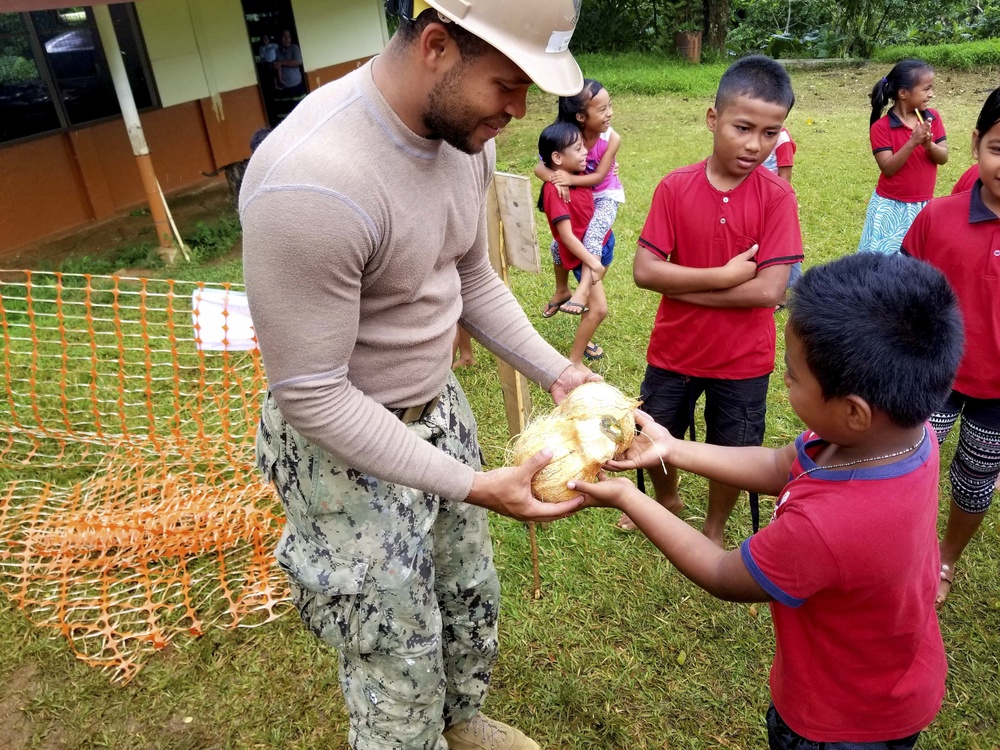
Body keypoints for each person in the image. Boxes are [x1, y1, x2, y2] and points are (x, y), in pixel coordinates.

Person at [240, 2, 593, 748]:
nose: (519, 109)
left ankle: (460, 725)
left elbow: (470, 276)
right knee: (392, 646)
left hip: (438, 406)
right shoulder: (312, 183)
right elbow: (314, 395)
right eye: (506, 84)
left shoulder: (465, 138)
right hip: (341, 451)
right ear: (437, 45)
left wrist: (563, 376)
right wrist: (474, 484)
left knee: (466, 596)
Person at [572, 252, 963, 749]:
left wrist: (629, 498)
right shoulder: (905, 433)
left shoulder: (825, 526)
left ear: (854, 411)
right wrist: (672, 448)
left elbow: (721, 573)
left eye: (795, 376)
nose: (785, 382)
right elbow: (782, 465)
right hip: (899, 674)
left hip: (839, 720)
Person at [619, 55, 803, 538]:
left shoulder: (778, 198)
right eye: (743, 127)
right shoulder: (675, 188)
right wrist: (722, 277)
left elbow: (770, 291)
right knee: (656, 432)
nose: (755, 145)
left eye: (770, 133)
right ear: (713, 118)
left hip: (744, 359)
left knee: (735, 448)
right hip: (674, 351)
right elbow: (643, 271)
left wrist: (681, 285)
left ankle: (716, 524)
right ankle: (668, 499)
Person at [901, 85, 1000, 610]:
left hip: (997, 394)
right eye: (999, 148)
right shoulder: (938, 217)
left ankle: (946, 556)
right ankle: (901, 547)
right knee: (906, 458)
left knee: (975, 477)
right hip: (931, 375)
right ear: (976, 143)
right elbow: (904, 290)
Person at [535, 78, 624, 328]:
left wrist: (569, 178)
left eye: (610, 106)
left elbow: (597, 177)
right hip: (580, 195)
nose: (610, 113)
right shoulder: (567, 138)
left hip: (605, 195)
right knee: (558, 244)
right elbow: (539, 167)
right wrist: (558, 178)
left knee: (592, 237)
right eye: (602, 109)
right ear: (581, 117)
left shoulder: (611, 139)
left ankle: (584, 289)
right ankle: (561, 289)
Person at [536, 121, 614, 370]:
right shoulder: (554, 190)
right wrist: (592, 261)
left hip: (602, 244)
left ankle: (582, 335)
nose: (586, 153)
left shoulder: (574, 175)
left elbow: (600, 174)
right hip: (585, 256)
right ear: (557, 157)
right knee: (599, 309)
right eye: (579, 149)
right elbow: (566, 237)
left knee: (591, 304)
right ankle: (574, 361)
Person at [857, 59, 948, 255]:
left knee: (917, 260)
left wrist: (929, 145)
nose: (931, 94)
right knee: (884, 263)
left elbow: (943, 157)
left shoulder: (931, 118)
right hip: (891, 206)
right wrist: (912, 142)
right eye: (926, 89)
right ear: (903, 93)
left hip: (924, 205)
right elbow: (888, 167)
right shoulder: (881, 128)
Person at [761, 126, 801, 294]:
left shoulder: (782, 139)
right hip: (757, 198)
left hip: (774, 201)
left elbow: (785, 177)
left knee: (781, 247)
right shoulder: (756, 136)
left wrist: (778, 204)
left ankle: (782, 295)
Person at [273, 29, 305, 96]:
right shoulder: (276, 51)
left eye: (289, 37)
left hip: (296, 84)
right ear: (280, 38)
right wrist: (278, 82)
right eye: (284, 37)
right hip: (283, 87)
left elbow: (297, 62)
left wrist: (281, 62)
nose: (287, 39)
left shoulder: (294, 48)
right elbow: (275, 67)